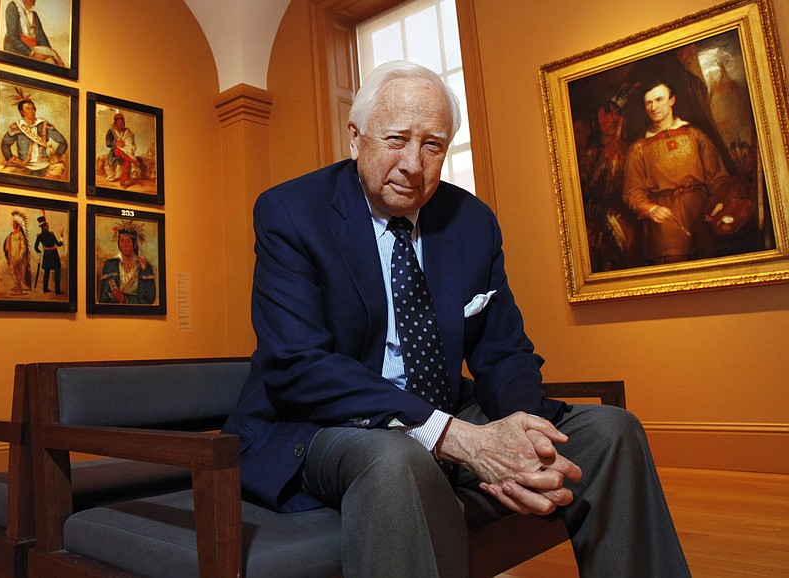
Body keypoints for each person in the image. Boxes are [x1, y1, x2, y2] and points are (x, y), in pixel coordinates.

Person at [223, 61, 690, 577]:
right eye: (396, 139)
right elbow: (299, 367)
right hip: (322, 424)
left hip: (442, 407)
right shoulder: (292, 212)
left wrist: (519, 435)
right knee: (396, 459)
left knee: (612, 432)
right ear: (355, 137)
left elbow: (503, 350)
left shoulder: (471, 222)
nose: (412, 165)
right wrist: (457, 438)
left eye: (433, 145)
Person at [623, 80, 730, 264]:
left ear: (672, 100)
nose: (653, 107)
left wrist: (719, 203)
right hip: (666, 226)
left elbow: (718, 177)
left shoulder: (696, 136)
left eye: (659, 100)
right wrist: (651, 209)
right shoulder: (639, 148)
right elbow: (633, 191)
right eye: (648, 103)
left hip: (702, 216)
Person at [582, 100, 640, 271]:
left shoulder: (632, 149)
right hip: (594, 223)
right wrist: (605, 158)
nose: (611, 119)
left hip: (624, 220)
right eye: (604, 115)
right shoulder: (589, 154)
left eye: (616, 113)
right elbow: (586, 189)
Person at [0, 97, 68, 179]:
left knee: (59, 167)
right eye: (28, 109)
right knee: (4, 173)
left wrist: (57, 155)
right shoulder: (17, 127)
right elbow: (5, 144)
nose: (31, 111)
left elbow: (63, 142)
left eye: (32, 108)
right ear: (22, 111)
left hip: (45, 165)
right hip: (24, 165)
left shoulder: (44, 125)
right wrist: (12, 158)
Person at [98, 221, 156, 304]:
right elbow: (104, 298)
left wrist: (125, 299)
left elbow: (149, 299)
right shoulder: (110, 265)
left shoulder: (145, 267)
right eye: (121, 241)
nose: (124, 245)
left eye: (128, 241)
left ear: (135, 244)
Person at [3, 0, 65, 66]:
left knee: (51, 62)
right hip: (17, 50)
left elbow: (42, 38)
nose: (33, 1)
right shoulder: (13, 7)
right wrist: (32, 54)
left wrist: (53, 55)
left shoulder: (33, 14)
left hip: (34, 48)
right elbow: (12, 37)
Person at [104, 113, 140, 189]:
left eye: (122, 122)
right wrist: (116, 143)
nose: (121, 124)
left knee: (126, 162)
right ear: (115, 123)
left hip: (126, 151)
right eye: (119, 122)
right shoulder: (111, 131)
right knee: (118, 151)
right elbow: (108, 143)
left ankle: (123, 181)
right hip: (115, 152)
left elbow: (130, 143)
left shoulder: (127, 132)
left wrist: (125, 146)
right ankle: (132, 161)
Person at [3, 210, 32, 295]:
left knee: (17, 272)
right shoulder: (11, 234)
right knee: (12, 271)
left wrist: (19, 258)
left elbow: (23, 248)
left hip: (19, 258)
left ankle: (19, 289)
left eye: (14, 223)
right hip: (12, 257)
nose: (12, 224)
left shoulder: (20, 235)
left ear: (18, 224)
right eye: (12, 223)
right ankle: (17, 286)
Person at [33, 215, 63, 294]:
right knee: (57, 271)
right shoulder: (51, 234)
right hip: (54, 254)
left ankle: (45, 289)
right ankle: (57, 290)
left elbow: (35, 247)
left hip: (46, 255)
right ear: (46, 226)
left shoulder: (39, 236)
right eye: (47, 224)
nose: (49, 226)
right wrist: (61, 236)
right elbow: (59, 244)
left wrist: (39, 253)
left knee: (46, 272)